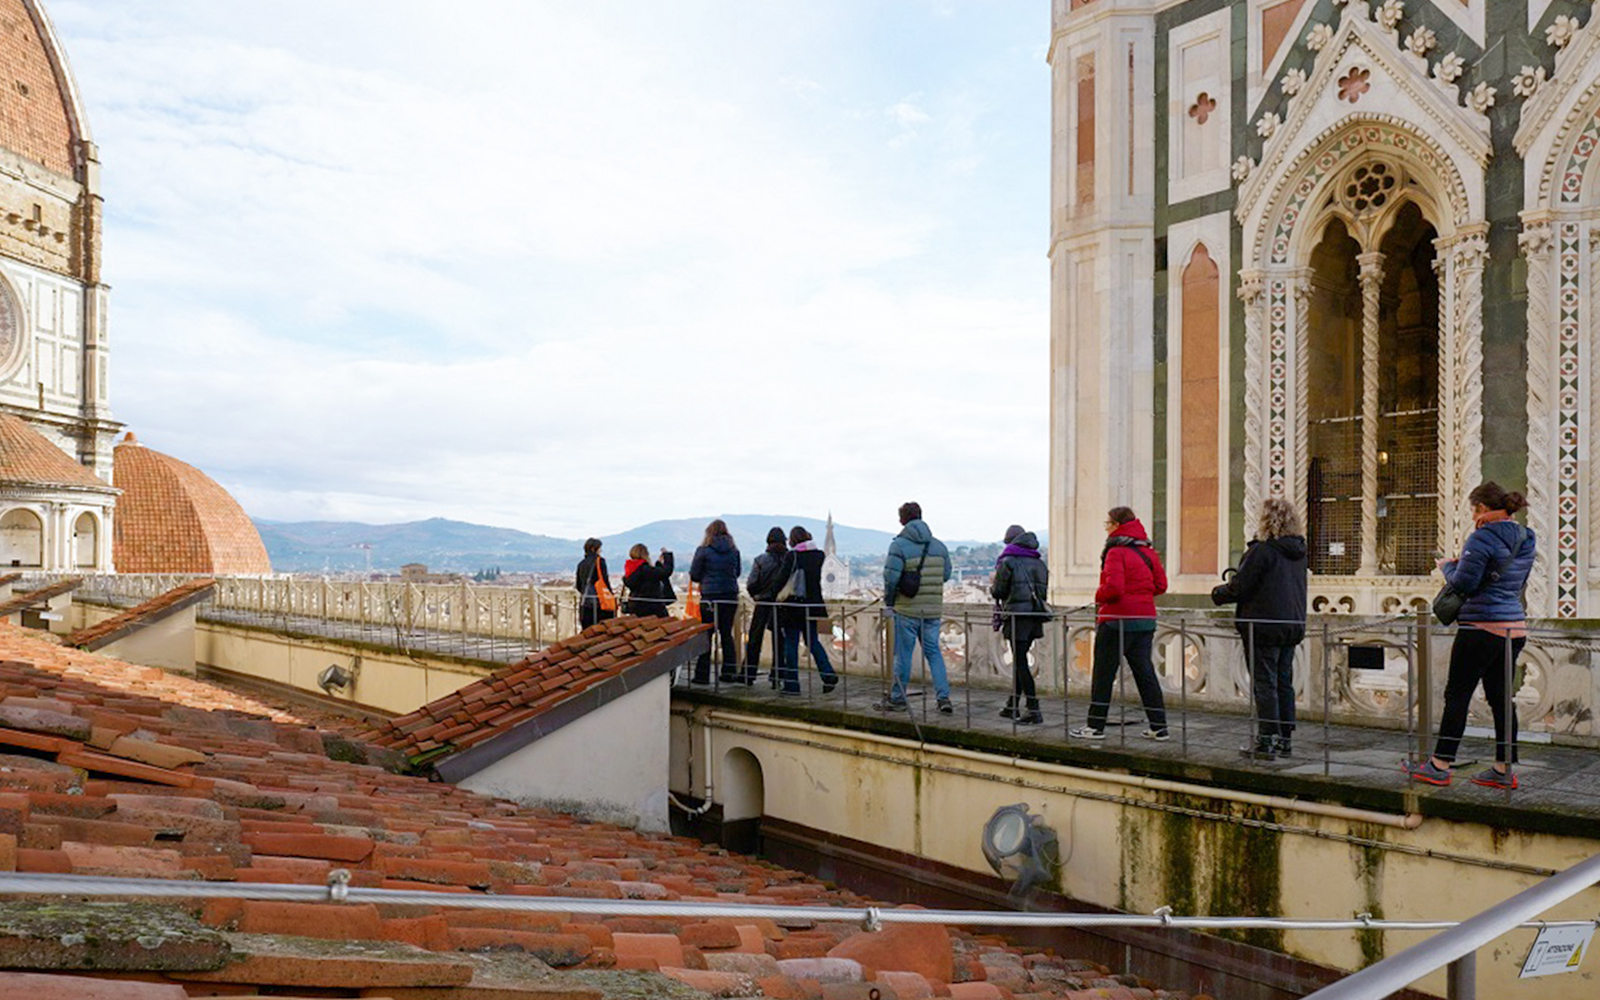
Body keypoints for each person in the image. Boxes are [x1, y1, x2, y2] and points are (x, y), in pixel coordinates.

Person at [1405, 482, 1536, 790]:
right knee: (1502, 699)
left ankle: (1440, 765)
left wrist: (1447, 567)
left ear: (1480, 508)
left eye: (1471, 509)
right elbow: (1514, 581)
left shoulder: (1481, 538)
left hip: (1480, 629)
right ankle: (1503, 769)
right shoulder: (1526, 537)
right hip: (1514, 628)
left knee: (1458, 695)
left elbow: (1464, 584)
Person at [1210, 497, 1308, 760]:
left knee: (1265, 683)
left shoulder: (1262, 551)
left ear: (1265, 521)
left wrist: (1218, 593)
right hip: (1291, 625)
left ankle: (1266, 740)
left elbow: (1240, 586)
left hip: (1263, 627)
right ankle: (1285, 740)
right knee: (1283, 682)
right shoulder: (1299, 551)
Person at [1071, 507, 1169, 740]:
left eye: (1107, 523)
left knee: (1104, 675)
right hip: (1145, 621)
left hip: (1116, 620)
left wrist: (1098, 595)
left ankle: (1095, 727)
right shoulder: (1148, 552)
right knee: (1145, 674)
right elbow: (1161, 585)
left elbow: (1114, 589)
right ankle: (1159, 727)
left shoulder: (1116, 552)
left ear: (1116, 525)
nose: (1106, 528)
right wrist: (1140, 597)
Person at [878, 502, 953, 714]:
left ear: (902, 520)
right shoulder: (939, 546)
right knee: (934, 653)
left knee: (903, 655)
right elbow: (945, 575)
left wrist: (890, 602)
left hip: (907, 609)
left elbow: (890, 578)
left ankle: (897, 698)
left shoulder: (899, 546)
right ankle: (943, 697)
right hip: (932, 610)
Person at [991, 524, 1049, 725]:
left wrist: (994, 581)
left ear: (1011, 542)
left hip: (1016, 617)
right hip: (1034, 617)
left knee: (1021, 663)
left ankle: (1033, 709)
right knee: (1020, 659)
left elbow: (998, 591)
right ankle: (1012, 705)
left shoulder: (1009, 561)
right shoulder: (1040, 562)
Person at [777, 526, 840, 696]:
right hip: (813, 606)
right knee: (813, 641)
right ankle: (828, 675)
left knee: (791, 644)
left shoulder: (793, 556)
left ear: (792, 540)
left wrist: (770, 594)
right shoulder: (819, 555)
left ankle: (792, 685)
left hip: (793, 606)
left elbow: (782, 579)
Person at [689, 519, 742, 685]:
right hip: (730, 595)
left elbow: (695, 575)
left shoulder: (703, 551)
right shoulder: (734, 551)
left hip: (710, 597)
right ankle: (729, 671)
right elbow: (737, 572)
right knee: (726, 634)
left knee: (706, 635)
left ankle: (702, 675)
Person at [743, 528, 789, 686]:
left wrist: (757, 596)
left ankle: (748, 673)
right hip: (782, 604)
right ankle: (778, 673)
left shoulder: (760, 560)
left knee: (755, 638)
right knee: (780, 640)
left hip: (762, 602)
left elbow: (752, 584)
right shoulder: (789, 559)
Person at [622, 544, 675, 618]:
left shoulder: (630, 570)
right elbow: (666, 572)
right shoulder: (645, 570)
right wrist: (667, 556)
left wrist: (658, 565)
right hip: (651, 607)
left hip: (635, 606)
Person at [574, 538, 613, 631]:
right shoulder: (600, 561)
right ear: (593, 549)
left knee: (587, 631)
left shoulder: (581, 564)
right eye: (599, 548)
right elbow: (604, 581)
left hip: (585, 603)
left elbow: (578, 585)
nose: (601, 551)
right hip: (599, 603)